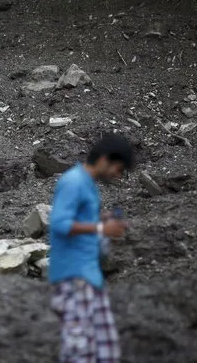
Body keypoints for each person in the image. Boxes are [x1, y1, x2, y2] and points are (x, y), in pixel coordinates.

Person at [49, 133, 134, 363]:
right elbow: (59, 223)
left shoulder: (88, 185)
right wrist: (101, 229)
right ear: (105, 159)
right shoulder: (73, 181)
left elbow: (80, 217)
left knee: (107, 350)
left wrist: (103, 219)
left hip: (90, 277)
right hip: (73, 278)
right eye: (118, 169)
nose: (117, 176)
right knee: (80, 352)